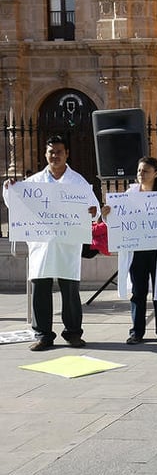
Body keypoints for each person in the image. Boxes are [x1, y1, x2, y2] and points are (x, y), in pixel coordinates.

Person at [2, 135, 99, 351]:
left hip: (68, 244)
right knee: (40, 290)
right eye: (51, 152)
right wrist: (9, 188)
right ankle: (43, 334)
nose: (55, 156)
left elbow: (94, 209)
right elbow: (15, 203)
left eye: (59, 152)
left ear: (67, 154)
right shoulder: (34, 182)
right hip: (42, 245)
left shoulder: (78, 182)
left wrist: (93, 212)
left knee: (70, 291)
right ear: (45, 155)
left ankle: (73, 333)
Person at [102, 157, 157, 344]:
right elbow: (118, 221)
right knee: (138, 292)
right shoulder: (129, 194)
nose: (141, 174)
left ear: (156, 173)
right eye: (140, 170)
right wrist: (107, 213)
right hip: (137, 250)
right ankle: (136, 332)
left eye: (146, 171)